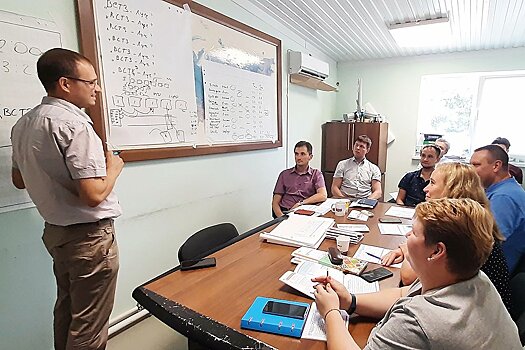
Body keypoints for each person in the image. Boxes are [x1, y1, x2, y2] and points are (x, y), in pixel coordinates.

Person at [10, 48, 124, 350]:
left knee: (67, 311)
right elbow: (93, 195)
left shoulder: (23, 125)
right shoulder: (75, 124)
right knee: (89, 328)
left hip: (57, 234)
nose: (97, 88)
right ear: (65, 84)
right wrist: (113, 169)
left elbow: (18, 179)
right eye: (92, 82)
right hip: (89, 238)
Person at [313, 198, 521, 349]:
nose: (406, 234)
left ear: (437, 251)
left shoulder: (418, 321)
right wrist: (351, 301)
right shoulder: (475, 279)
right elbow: (405, 294)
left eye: (414, 232)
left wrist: (331, 312)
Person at [384, 163, 511, 311]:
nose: (425, 189)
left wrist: (410, 245)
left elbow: (408, 278)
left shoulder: (454, 228)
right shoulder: (469, 220)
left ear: (453, 189)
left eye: (432, 183)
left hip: (480, 314)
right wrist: (410, 245)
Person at [471, 145, 525, 274]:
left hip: (492, 273)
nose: (471, 171)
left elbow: (486, 242)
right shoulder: (502, 189)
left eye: (476, 165)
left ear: (496, 166)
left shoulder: (504, 197)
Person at [272, 141, 327, 217]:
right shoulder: (284, 174)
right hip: (285, 211)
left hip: (304, 212)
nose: (298, 157)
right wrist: (281, 218)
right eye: (296, 154)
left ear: (310, 157)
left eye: (302, 154)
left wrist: (301, 203)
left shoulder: (316, 174)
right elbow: (275, 203)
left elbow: (322, 195)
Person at [331, 135, 382, 200]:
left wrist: (367, 201)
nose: (357, 148)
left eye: (361, 146)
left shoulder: (374, 168)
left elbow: (378, 191)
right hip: (345, 199)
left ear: (367, 150)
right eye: (356, 145)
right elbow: (334, 188)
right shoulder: (342, 164)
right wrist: (343, 199)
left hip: (365, 200)